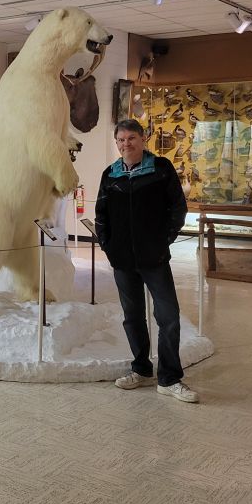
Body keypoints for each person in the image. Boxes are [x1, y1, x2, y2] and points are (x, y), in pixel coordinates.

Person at [95, 119, 198, 403]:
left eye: (131, 138)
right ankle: (141, 368)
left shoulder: (161, 169)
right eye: (121, 140)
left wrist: (162, 239)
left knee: (168, 317)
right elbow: (101, 214)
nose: (126, 144)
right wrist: (108, 246)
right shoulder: (111, 174)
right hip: (123, 260)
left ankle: (169, 378)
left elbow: (178, 207)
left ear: (143, 139)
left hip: (154, 258)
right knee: (132, 317)